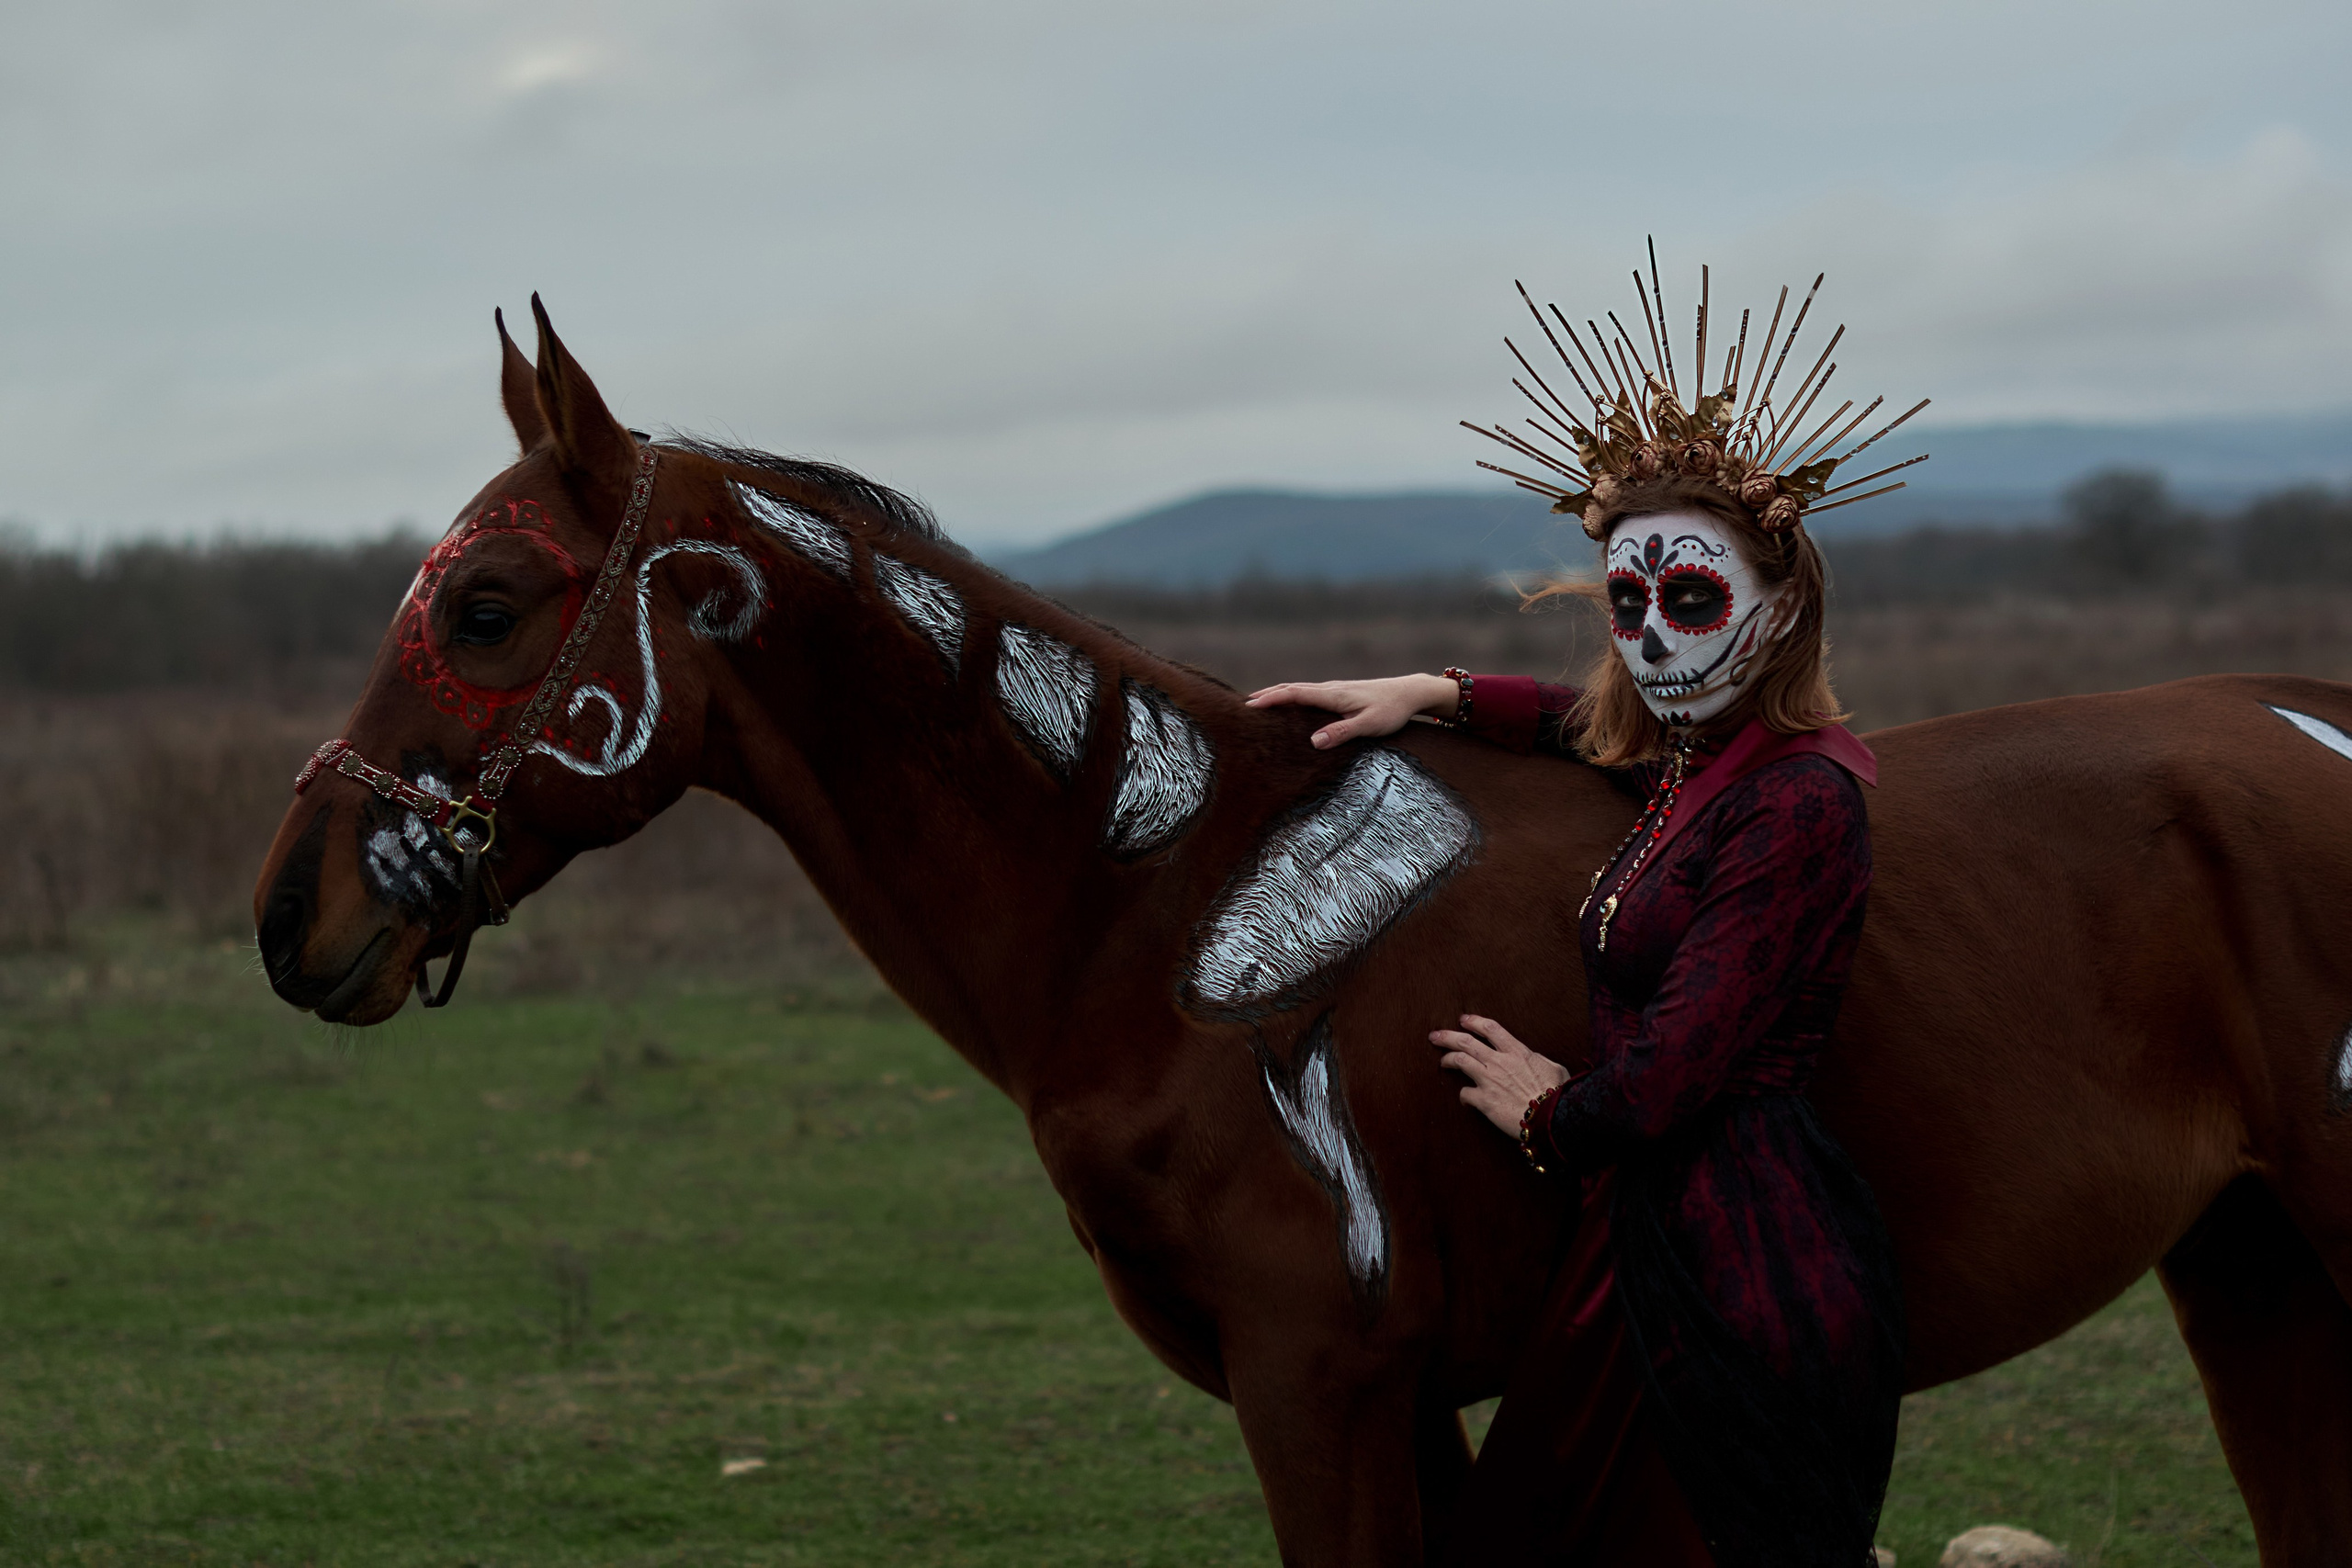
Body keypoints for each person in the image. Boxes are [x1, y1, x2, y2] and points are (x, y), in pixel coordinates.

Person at [1247, 263, 1926, 1566]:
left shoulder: (1796, 806)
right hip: (1645, 1245)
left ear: (1779, 608)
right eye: (1628, 604)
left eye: (1691, 599)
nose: (1655, 635)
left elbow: (1675, 1074)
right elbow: (1590, 728)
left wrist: (1548, 1108)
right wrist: (1431, 691)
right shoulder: (1699, 763)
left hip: (1732, 1276)